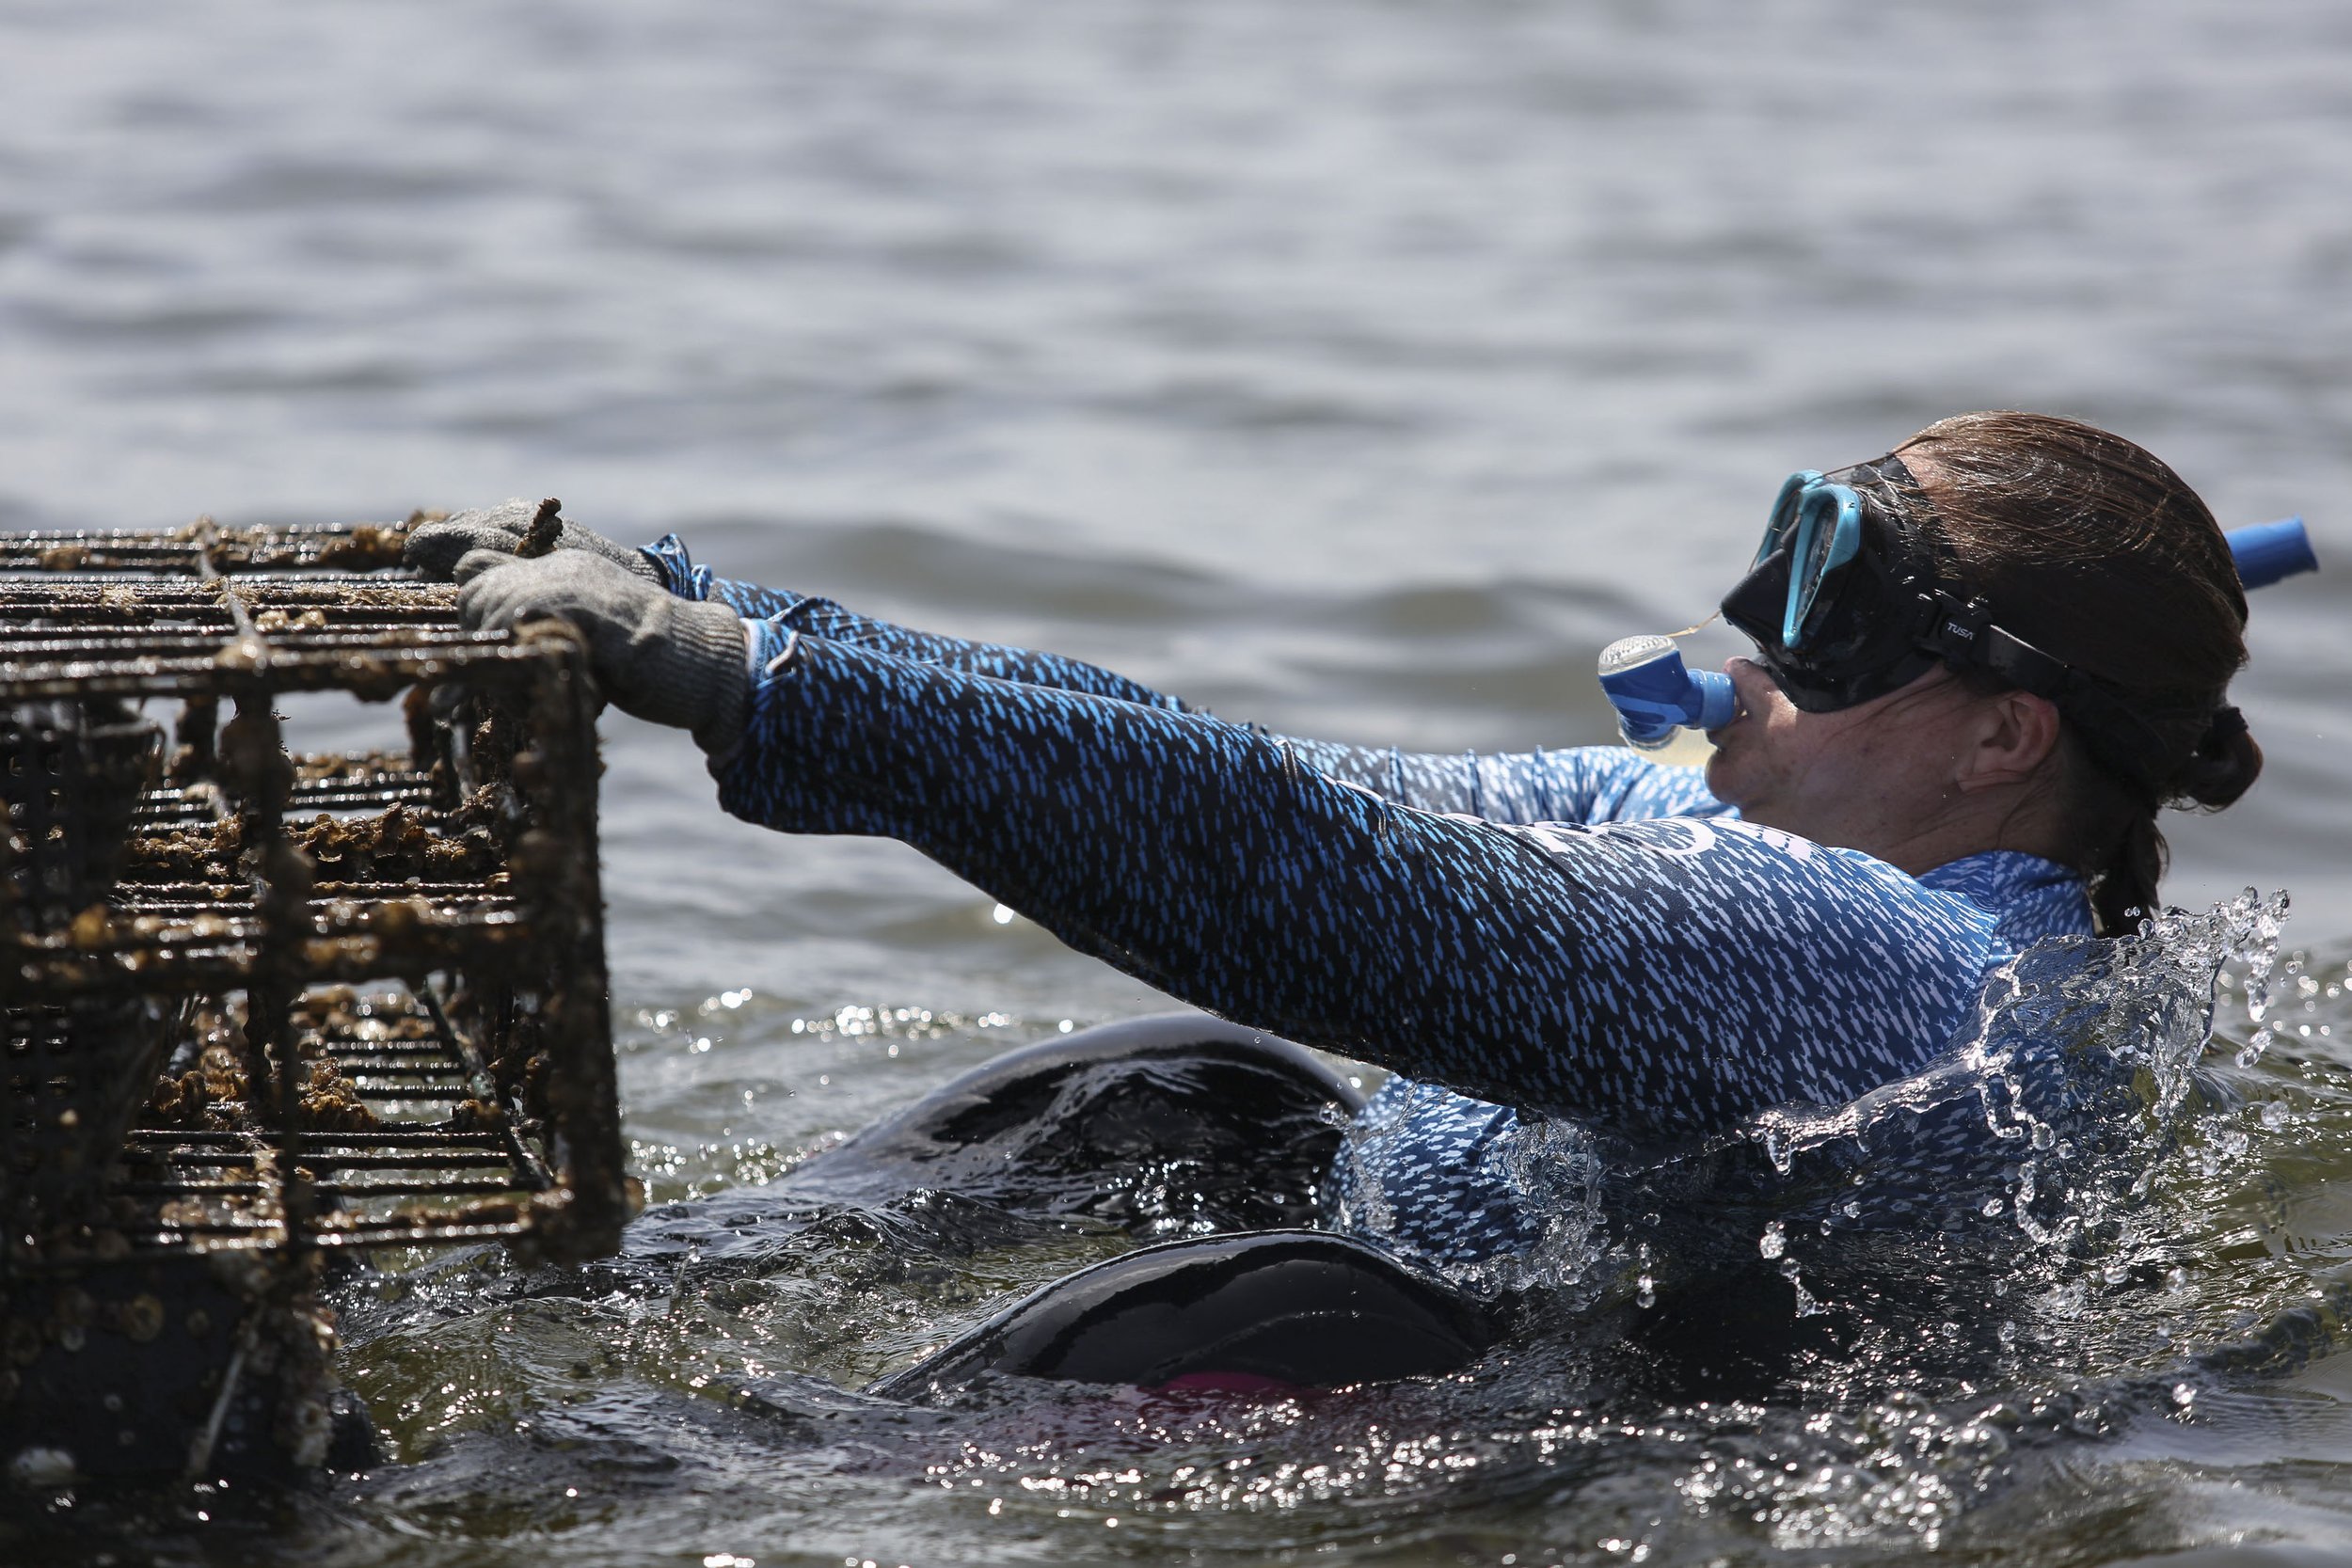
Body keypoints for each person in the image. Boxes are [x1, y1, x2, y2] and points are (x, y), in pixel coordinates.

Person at [407, 411, 2272, 1395]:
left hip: (1553, 1400)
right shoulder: (1760, 835)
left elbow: (1292, 882)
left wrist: (750, 680)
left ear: (1999, 739)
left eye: (1833, 616)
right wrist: (746, 621)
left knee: (1304, 1301)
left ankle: (639, 1477)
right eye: (1777, 573)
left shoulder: (1896, 975)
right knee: (1190, 1092)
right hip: (1462, 1241)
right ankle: (593, 1289)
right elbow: (1282, 786)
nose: (1751, 647)